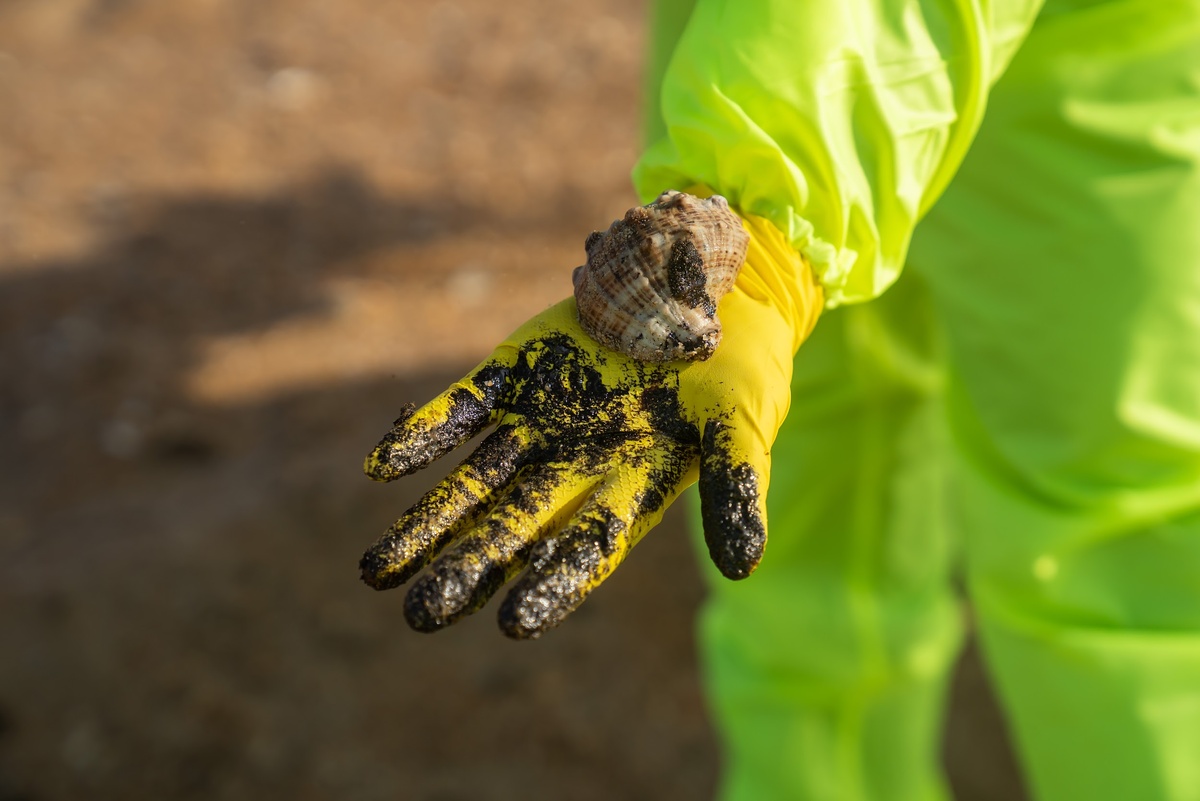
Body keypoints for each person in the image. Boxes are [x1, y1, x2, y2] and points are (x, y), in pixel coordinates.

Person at [362, 0, 1200, 798]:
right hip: (748, 44)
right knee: (793, 501)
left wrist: (763, 213)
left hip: (1028, 64)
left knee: (1114, 517)